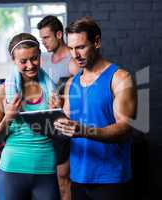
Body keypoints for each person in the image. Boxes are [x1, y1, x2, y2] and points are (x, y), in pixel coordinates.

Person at [54, 17, 137, 200]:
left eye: (81, 47)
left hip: (111, 178)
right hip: (78, 176)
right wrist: (53, 113)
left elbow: (124, 129)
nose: (75, 55)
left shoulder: (119, 78)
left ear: (97, 42)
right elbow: (66, 124)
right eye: (71, 48)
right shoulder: (71, 83)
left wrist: (83, 131)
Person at [0, 33, 60, 200]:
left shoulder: (53, 91)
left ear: (40, 55)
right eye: (23, 61)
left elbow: (60, 135)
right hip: (12, 171)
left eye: (34, 58)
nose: (30, 65)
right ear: (13, 60)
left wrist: (55, 115)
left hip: (46, 169)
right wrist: (8, 118)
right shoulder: (2, 93)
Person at [37, 15, 80, 200]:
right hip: (47, 124)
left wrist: (62, 100)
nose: (44, 43)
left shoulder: (74, 60)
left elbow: (83, 95)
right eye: (41, 39)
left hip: (67, 125)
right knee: (49, 178)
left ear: (59, 34)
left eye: (46, 38)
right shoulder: (43, 61)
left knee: (64, 178)